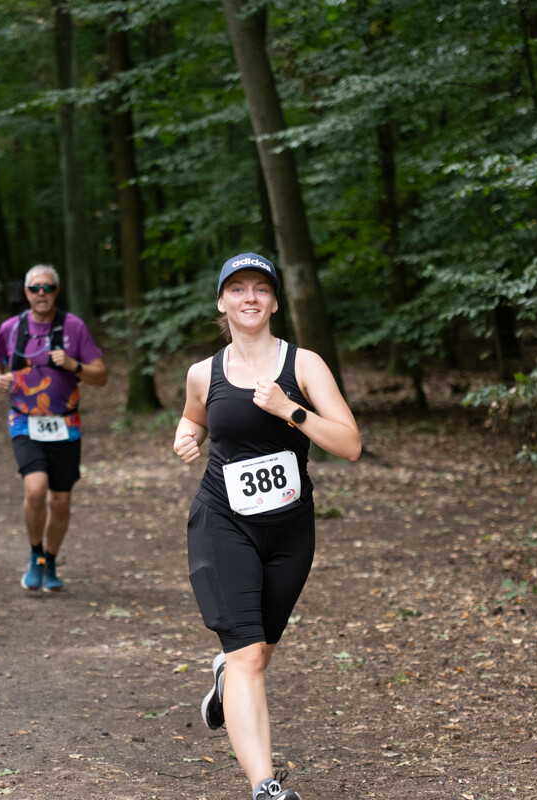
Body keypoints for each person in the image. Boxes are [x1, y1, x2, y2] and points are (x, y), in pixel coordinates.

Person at [172, 253, 361, 800]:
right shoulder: (203, 372)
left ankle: (226, 681)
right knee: (249, 654)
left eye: (260, 288)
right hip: (223, 521)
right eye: (237, 289)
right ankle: (266, 787)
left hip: (289, 528)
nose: (249, 298)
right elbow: (195, 417)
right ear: (221, 302)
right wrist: (186, 437)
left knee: (256, 655)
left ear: (275, 301)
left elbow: (349, 445)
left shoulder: (304, 365)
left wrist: (290, 411)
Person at [0, 265, 107, 592]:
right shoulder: (11, 328)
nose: (42, 294)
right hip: (24, 420)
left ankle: (51, 560)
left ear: (56, 291)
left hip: (66, 425)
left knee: (61, 501)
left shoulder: (74, 327)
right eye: (35, 288)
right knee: (36, 489)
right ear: (26, 292)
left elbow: (101, 374)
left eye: (48, 288)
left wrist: (73, 365)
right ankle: (35, 553)